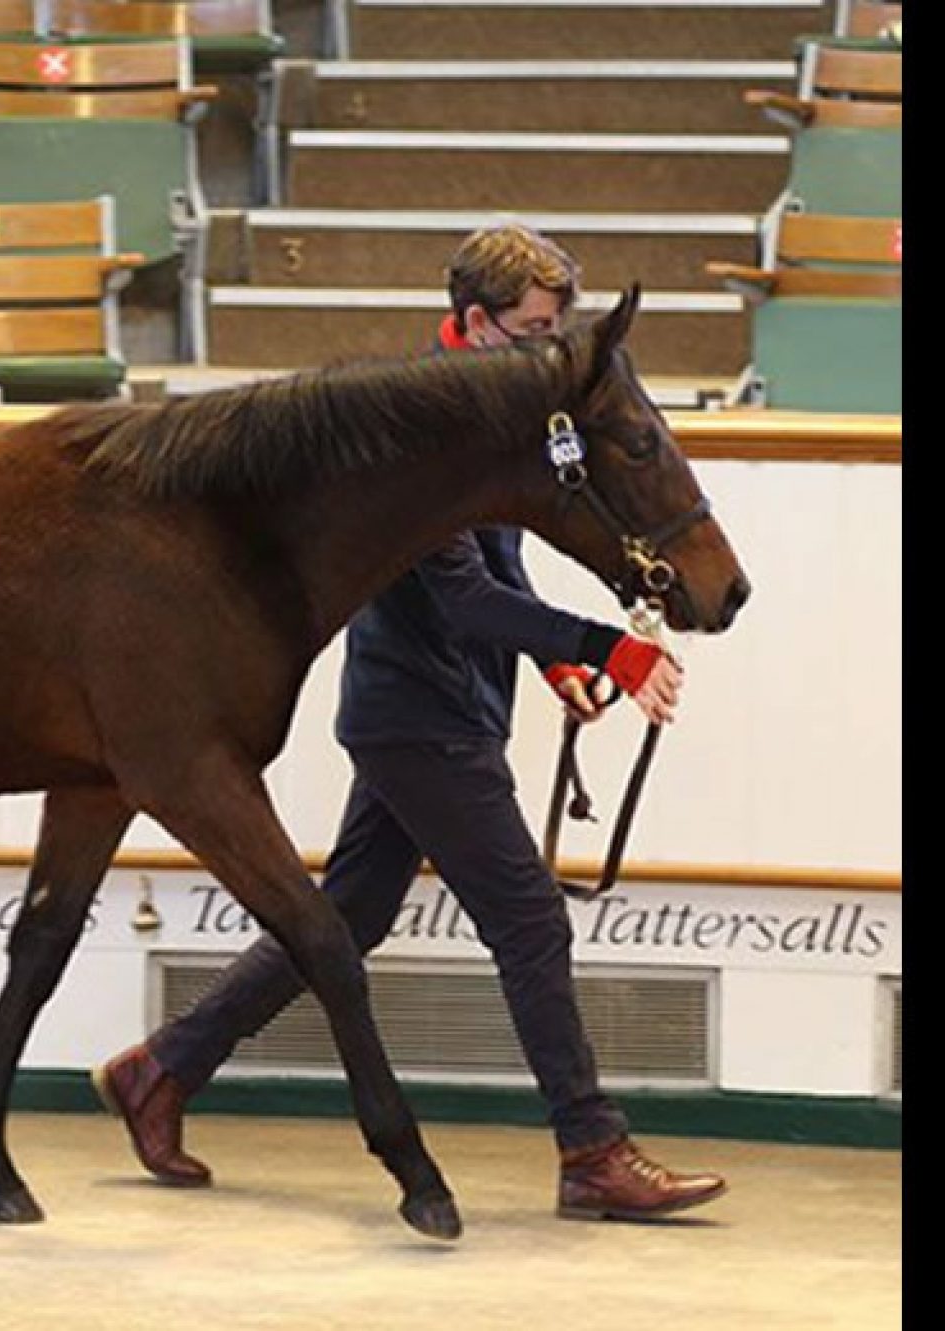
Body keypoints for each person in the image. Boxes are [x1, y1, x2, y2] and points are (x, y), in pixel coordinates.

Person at [93, 222, 729, 1222]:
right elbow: (464, 595)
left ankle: (161, 1069)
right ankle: (591, 1146)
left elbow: (495, 571)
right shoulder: (412, 427)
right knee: (526, 916)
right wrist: (612, 645)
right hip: (421, 716)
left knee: (347, 916)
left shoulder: (482, 415)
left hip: (426, 707)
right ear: (475, 323)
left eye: (556, 329)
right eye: (532, 328)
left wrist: (553, 655)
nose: (548, 349)